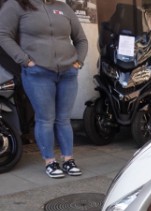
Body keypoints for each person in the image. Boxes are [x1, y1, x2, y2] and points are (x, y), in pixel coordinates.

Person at [0, 0, 88, 178]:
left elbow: (81, 39)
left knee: (63, 119)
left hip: (67, 73)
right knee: (45, 119)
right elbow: (3, 35)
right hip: (38, 73)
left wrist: (78, 61)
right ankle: (50, 161)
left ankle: (68, 160)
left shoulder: (63, 7)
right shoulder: (16, 5)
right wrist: (25, 60)